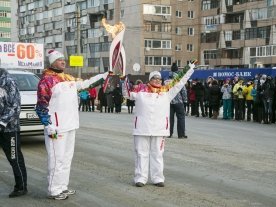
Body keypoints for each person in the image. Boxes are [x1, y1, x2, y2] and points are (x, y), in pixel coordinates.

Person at [35, 50, 108, 200]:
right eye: (60, 59)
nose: (63, 61)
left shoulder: (68, 78)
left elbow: (86, 84)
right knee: (56, 159)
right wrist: (48, 125)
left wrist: (104, 76)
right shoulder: (47, 81)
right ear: (52, 62)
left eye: (64, 59)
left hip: (70, 125)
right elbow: (41, 106)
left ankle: (62, 186)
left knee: (66, 159)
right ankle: (53, 189)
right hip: (56, 127)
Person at [122, 61, 196, 188]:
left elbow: (180, 81)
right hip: (142, 128)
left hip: (159, 128)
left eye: (159, 78)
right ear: (150, 80)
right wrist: (123, 80)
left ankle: (157, 178)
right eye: (154, 78)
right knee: (141, 153)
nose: (157, 80)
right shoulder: (140, 92)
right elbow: (126, 93)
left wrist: (189, 68)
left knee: (157, 154)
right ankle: (141, 178)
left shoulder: (166, 92)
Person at [0, 68, 28, 198]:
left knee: (14, 158)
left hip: (9, 129)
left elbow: (15, 106)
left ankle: (21, 187)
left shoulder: (8, 81)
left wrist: (2, 122)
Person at [166, 71, 188, 139]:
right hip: (179, 102)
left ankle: (169, 133)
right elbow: (184, 91)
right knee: (181, 117)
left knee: (170, 118)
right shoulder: (179, 81)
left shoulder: (165, 82)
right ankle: (181, 134)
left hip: (169, 102)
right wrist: (185, 100)